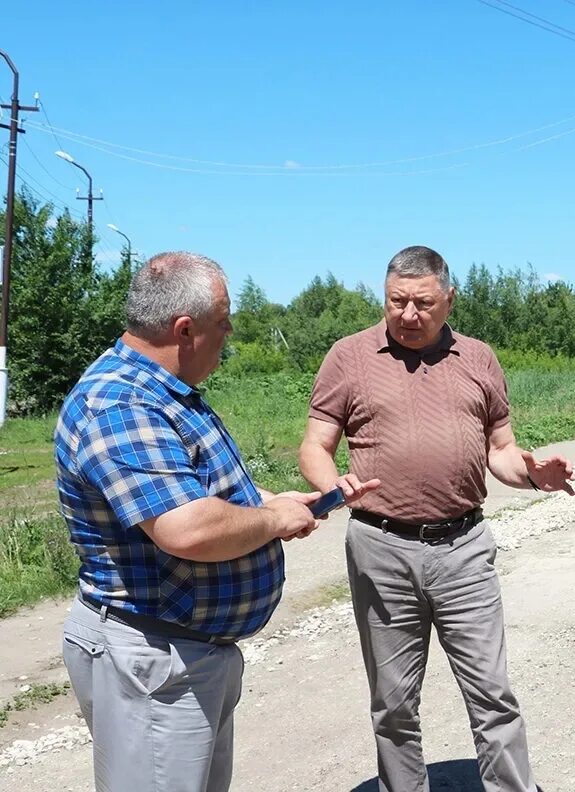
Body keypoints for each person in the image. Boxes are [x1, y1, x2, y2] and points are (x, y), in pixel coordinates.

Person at [55, 251, 376, 792]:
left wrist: (279, 503)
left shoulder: (162, 394)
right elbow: (188, 528)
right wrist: (272, 520)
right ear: (185, 329)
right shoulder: (120, 403)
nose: (227, 336)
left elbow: (200, 492)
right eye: (223, 323)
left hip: (180, 653)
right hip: (153, 657)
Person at [299, 244, 574, 792]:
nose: (407, 314)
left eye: (422, 303)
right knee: (394, 702)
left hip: (464, 547)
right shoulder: (348, 356)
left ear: (449, 299)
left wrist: (531, 473)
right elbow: (314, 443)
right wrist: (332, 485)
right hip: (381, 548)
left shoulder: (478, 357)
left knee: (492, 695)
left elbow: (501, 449)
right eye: (395, 301)